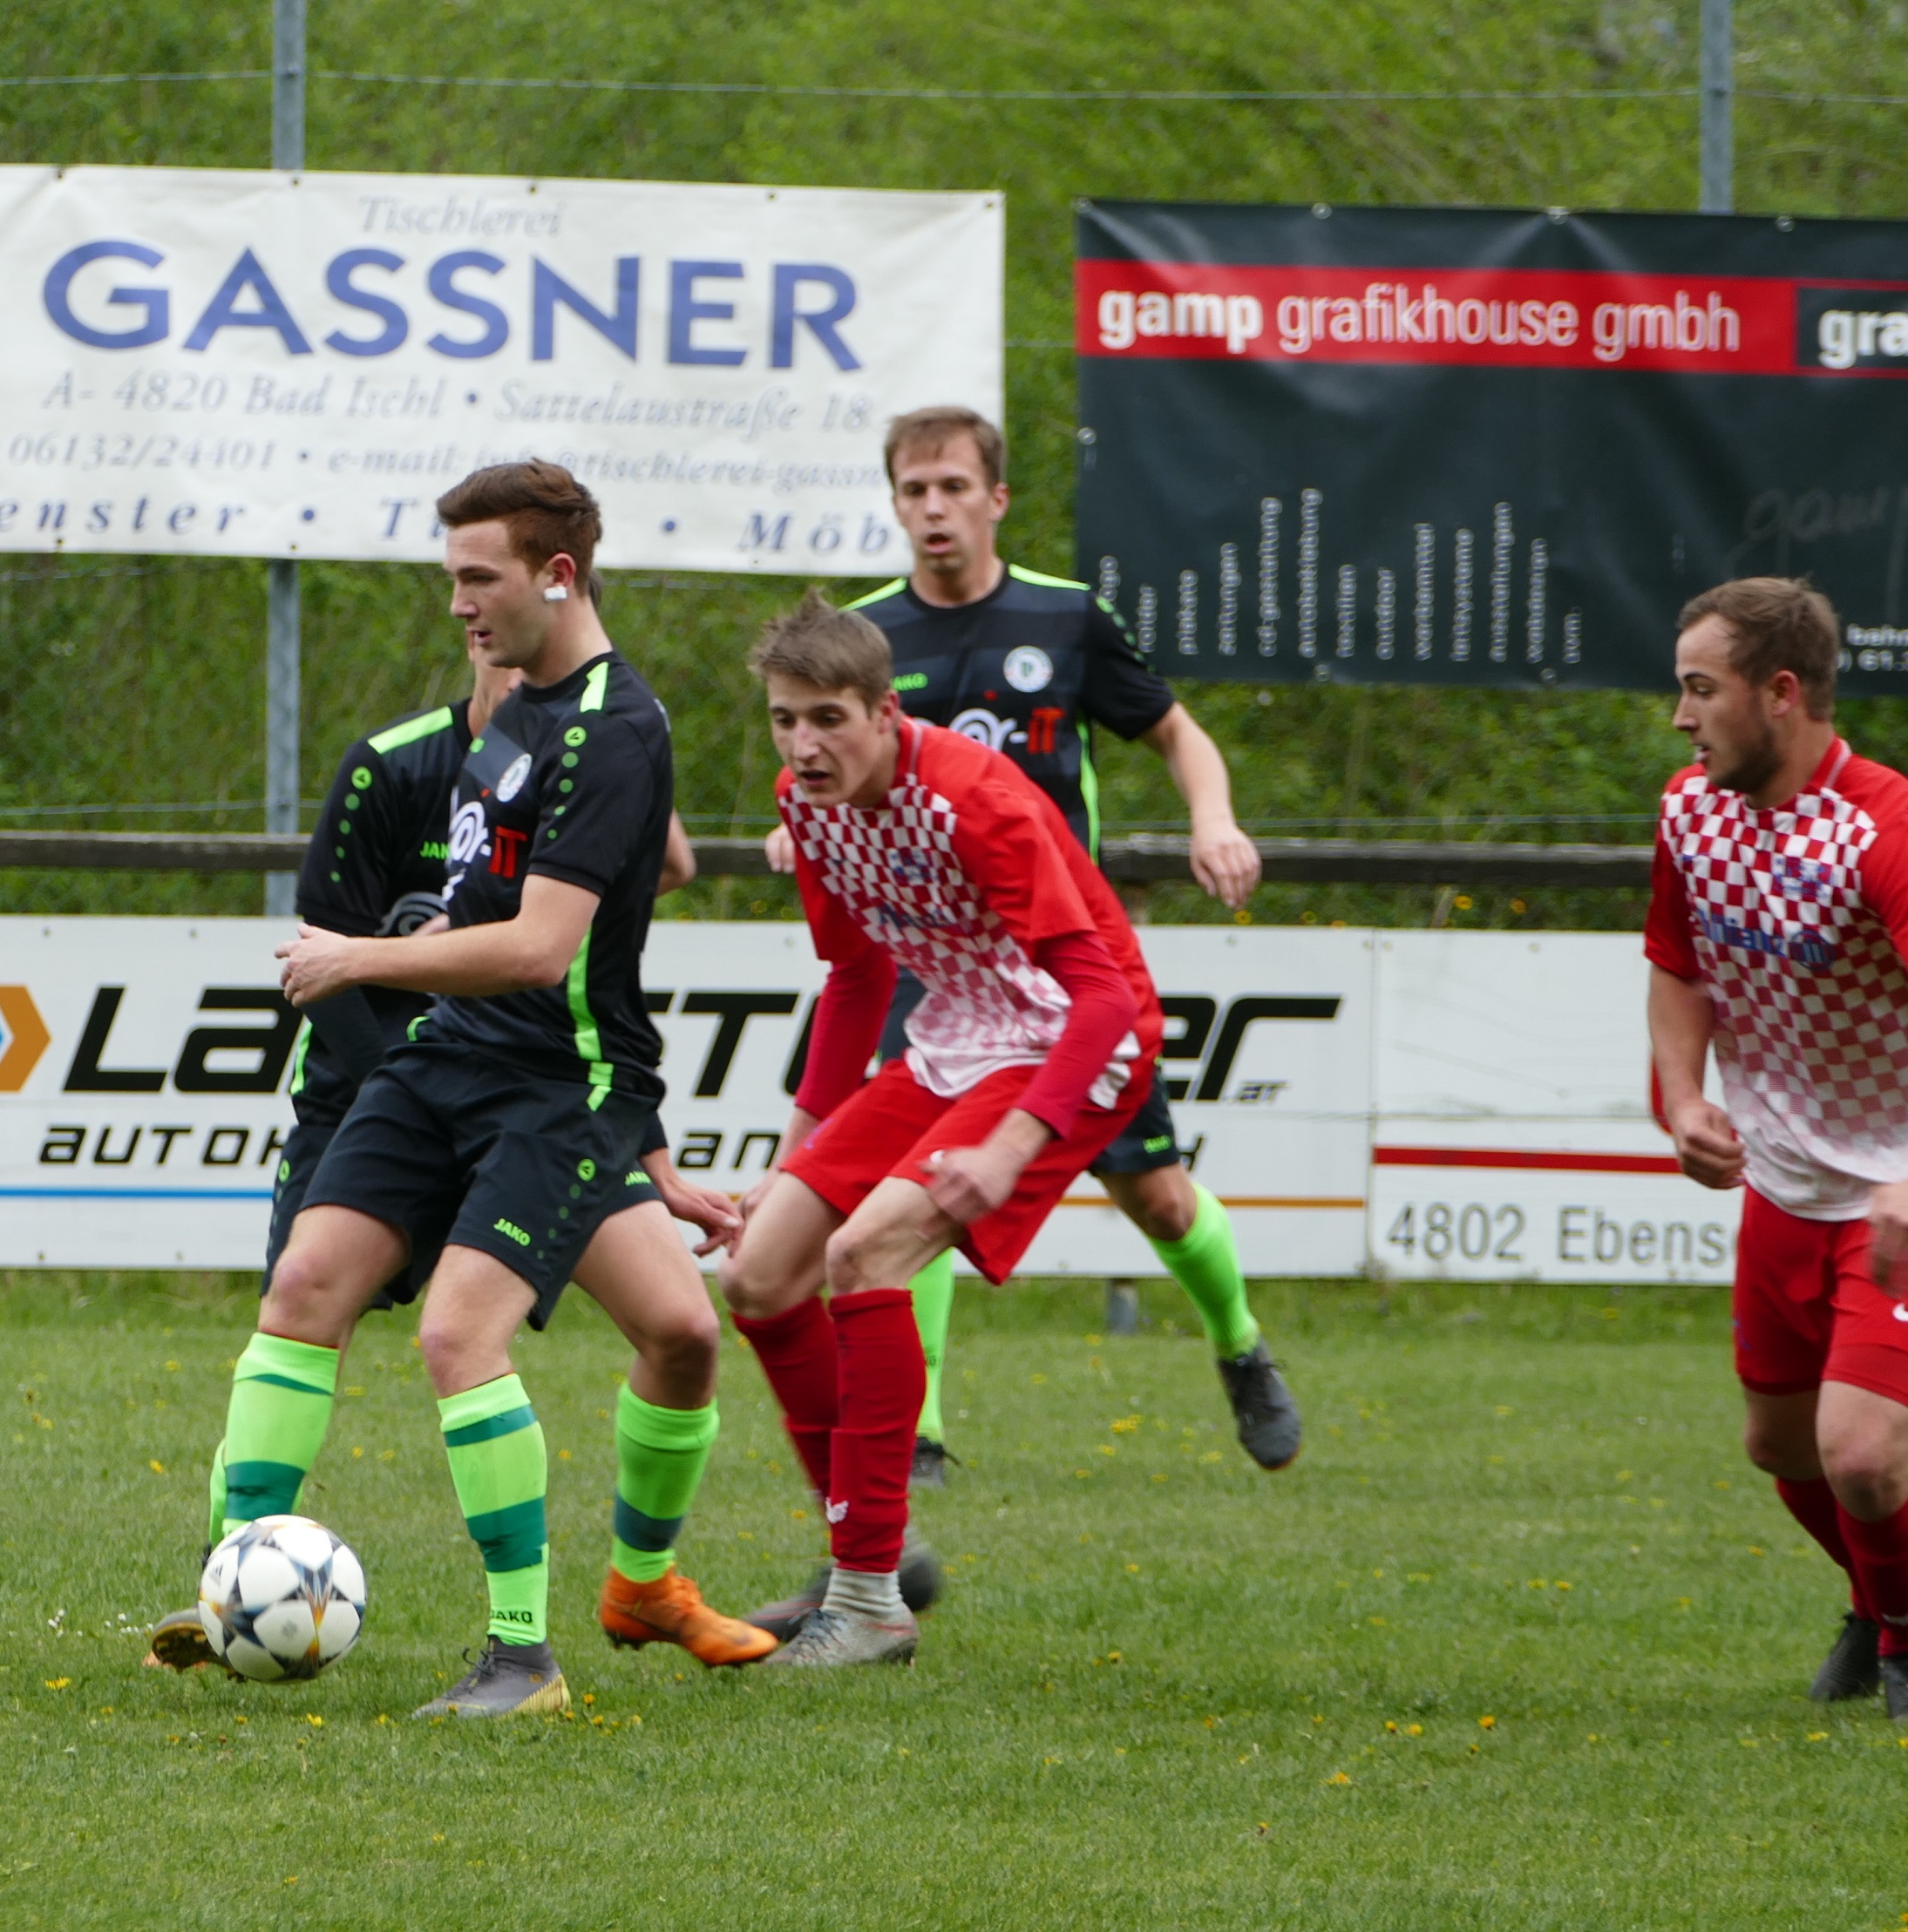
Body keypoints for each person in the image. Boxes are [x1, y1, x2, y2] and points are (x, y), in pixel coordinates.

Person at [170, 461, 775, 1718]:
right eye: (450, 578)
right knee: (307, 1286)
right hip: (447, 1056)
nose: (456, 604)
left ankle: (522, 1657)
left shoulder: (613, 728)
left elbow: (547, 951)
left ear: (557, 575)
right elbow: (489, 910)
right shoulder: (516, 716)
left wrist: (359, 958)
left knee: (460, 1334)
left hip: (553, 1084)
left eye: (476, 578)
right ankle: (233, 1586)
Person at [766, 405, 1297, 1481]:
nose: (933, 509)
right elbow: (832, 772)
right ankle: (916, 1428)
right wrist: (812, 819)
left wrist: (1212, 818)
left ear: (995, 499)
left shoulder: (1063, 618)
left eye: (953, 487)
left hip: (1064, 968)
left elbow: (1175, 732)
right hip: (934, 966)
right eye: (914, 490)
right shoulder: (861, 640)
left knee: (1156, 1198)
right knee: (904, 1192)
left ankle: (1238, 1342)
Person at [714, 589, 1166, 1666]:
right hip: (958, 1034)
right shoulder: (806, 804)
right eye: (784, 719)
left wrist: (1011, 1148)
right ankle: (874, 1550)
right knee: (759, 1274)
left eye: (828, 719)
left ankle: (866, 1601)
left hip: (1069, 1039)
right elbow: (855, 975)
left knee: (864, 1255)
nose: (804, 746)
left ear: (884, 712)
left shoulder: (974, 798)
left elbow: (1102, 998)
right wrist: (793, 1150)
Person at [1646, 576, 1908, 1721]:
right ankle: (1877, 1597)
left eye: (1700, 689)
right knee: (1781, 1448)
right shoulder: (1688, 811)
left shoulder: (1882, 831)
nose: (1680, 716)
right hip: (1783, 1189)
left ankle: (1899, 1638)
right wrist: (1681, 1097)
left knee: (1860, 1453)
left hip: (1891, 1191)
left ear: (1781, 693)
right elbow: (1675, 966)